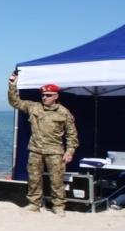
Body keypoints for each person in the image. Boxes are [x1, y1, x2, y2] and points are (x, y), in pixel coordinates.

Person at [8, 71, 78, 216]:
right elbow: (15, 102)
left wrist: (69, 152)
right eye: (43, 95)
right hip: (36, 150)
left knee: (57, 180)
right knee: (34, 178)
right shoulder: (34, 107)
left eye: (48, 95)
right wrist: (11, 85)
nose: (45, 97)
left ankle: (58, 206)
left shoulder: (64, 113)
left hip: (55, 152)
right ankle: (34, 203)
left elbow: (72, 135)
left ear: (56, 96)